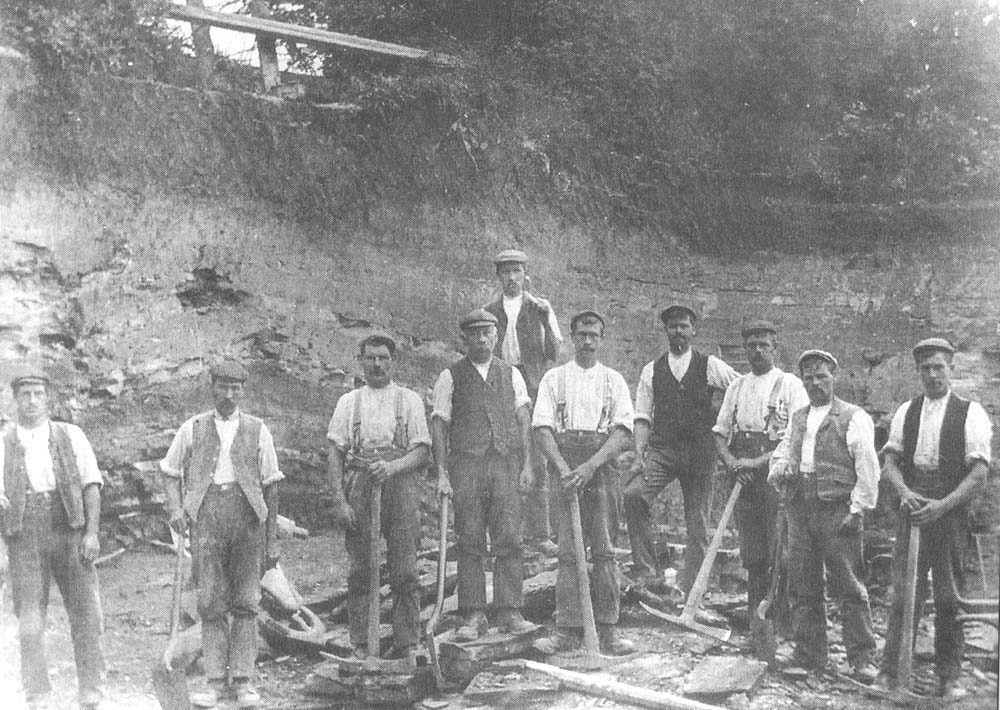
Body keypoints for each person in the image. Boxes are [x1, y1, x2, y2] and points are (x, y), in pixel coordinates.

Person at [875, 338, 992, 700]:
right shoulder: (907, 411)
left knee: (948, 597)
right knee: (904, 594)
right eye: (926, 368)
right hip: (912, 510)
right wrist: (905, 493)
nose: (932, 374)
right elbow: (891, 463)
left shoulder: (970, 412)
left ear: (951, 369)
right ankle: (891, 673)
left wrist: (943, 506)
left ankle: (948, 677)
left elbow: (978, 474)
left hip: (950, 513)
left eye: (939, 366)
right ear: (918, 372)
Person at [161, 361, 282, 709]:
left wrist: (272, 539)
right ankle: (215, 682)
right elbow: (169, 471)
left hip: (247, 520)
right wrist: (176, 509)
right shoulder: (192, 428)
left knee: (246, 601)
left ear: (243, 391)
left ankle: (243, 681)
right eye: (223, 387)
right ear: (211, 387)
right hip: (207, 518)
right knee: (211, 602)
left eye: (236, 388)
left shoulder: (259, 430)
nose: (229, 395)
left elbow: (272, 486)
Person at [767, 350, 879, 682]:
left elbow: (868, 466)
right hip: (801, 508)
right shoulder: (799, 417)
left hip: (837, 510)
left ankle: (862, 658)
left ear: (834, 376)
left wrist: (858, 508)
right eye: (809, 377)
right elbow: (783, 451)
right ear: (803, 381)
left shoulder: (853, 416)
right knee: (804, 584)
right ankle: (810, 653)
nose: (816, 383)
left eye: (822, 376)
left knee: (849, 585)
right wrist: (780, 468)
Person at [0, 366, 106, 710]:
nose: (32, 401)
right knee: (30, 616)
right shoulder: (3, 441)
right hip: (24, 535)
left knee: (86, 613)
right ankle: (38, 693)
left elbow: (91, 484)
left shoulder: (70, 435)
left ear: (49, 399)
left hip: (69, 529)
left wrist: (91, 532)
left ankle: (91, 690)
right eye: (25, 395)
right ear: (15, 399)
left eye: (38, 394)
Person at [532, 310, 636, 655]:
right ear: (572, 338)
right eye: (581, 335)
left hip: (601, 465)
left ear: (601, 339)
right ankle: (567, 629)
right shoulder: (554, 379)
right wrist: (563, 468)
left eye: (594, 335)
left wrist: (590, 466)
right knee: (567, 551)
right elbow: (542, 428)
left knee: (604, 549)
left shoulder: (613, 381)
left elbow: (622, 433)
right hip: (564, 465)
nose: (588, 341)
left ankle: (608, 629)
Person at [430, 309, 537, 641]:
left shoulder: (511, 374)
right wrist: (442, 474)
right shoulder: (451, 376)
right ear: (464, 339)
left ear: (496, 337)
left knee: (509, 537)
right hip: (467, 467)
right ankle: (473, 614)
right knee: (470, 539)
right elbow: (439, 425)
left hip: (504, 465)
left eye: (487, 333)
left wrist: (528, 465)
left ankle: (509, 611)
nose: (481, 339)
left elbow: (523, 420)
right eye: (474, 334)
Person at [326, 333, 431, 663]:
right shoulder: (349, 402)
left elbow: (422, 451)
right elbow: (334, 452)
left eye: (383, 357)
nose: (377, 364)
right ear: (361, 360)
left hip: (400, 486)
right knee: (361, 569)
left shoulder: (409, 400)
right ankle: (361, 642)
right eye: (371, 357)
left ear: (392, 361)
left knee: (404, 569)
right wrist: (340, 501)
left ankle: (407, 643)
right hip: (360, 484)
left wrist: (392, 467)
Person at [624, 303, 738, 593]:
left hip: (700, 452)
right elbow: (642, 416)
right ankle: (648, 574)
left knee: (697, 521)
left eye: (684, 325)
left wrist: (721, 420)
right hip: (663, 451)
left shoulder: (709, 364)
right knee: (634, 495)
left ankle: (692, 588)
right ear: (666, 331)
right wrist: (639, 454)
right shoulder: (652, 370)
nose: (678, 331)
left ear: (693, 330)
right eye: (673, 326)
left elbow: (740, 388)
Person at [712, 320, 807, 619]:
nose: (757, 351)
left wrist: (756, 463)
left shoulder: (790, 385)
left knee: (779, 549)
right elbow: (719, 431)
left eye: (763, 345)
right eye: (751, 345)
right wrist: (731, 462)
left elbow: (797, 435)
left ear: (774, 349)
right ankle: (757, 617)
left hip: (775, 477)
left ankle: (782, 617)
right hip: (743, 477)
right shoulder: (737, 387)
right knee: (753, 552)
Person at [484, 248, 563, 552]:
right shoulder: (490, 310)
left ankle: (540, 534)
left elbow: (555, 353)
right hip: (501, 386)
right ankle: (505, 533)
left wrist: (544, 320)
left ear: (525, 275)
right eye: (506, 272)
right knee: (503, 456)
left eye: (517, 271)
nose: (512, 277)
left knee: (538, 458)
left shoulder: (539, 308)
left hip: (533, 386)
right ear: (499, 276)